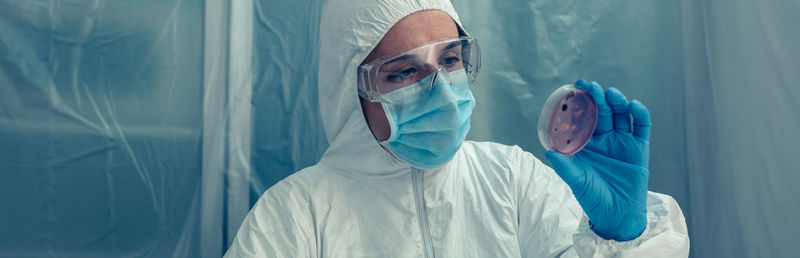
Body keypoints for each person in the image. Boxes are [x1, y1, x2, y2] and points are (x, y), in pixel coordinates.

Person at [225, 0, 690, 257]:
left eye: (449, 60)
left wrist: (621, 236)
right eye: (403, 73)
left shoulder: (510, 179)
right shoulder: (295, 216)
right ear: (353, 92)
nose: (442, 92)